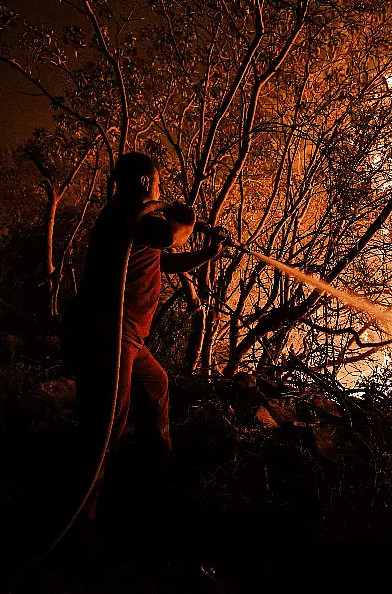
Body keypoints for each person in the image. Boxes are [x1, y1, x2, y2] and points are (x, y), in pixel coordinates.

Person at [62, 152, 229, 521]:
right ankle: (79, 520)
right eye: (156, 182)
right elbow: (171, 236)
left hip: (129, 339)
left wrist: (208, 252)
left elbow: (163, 260)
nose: (159, 189)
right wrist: (188, 219)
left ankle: (155, 473)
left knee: (156, 384)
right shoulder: (127, 213)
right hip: (108, 335)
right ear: (143, 182)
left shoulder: (138, 224)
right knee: (106, 425)